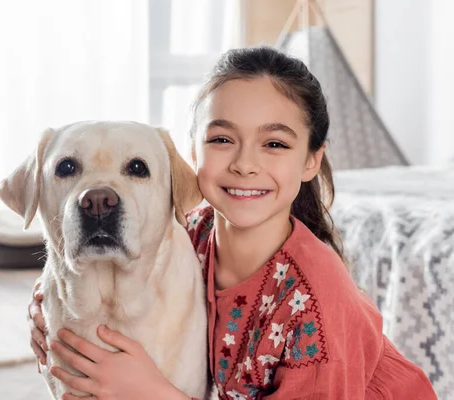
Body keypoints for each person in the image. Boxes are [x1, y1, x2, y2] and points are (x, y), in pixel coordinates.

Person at [26, 47, 437, 399]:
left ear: (312, 159)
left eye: (274, 143)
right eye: (222, 139)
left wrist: (155, 393)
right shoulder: (192, 229)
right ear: (191, 152)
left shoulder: (318, 307)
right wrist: (46, 303)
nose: (244, 164)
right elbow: (83, 256)